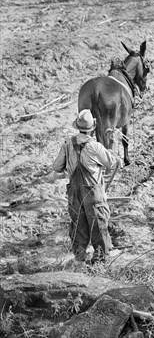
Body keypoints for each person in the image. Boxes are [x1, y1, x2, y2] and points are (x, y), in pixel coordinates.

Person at [53, 109, 120, 265]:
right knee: (99, 224)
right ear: (93, 127)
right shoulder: (95, 146)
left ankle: (80, 259)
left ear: (77, 127)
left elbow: (57, 167)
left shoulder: (67, 144)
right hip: (92, 192)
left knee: (78, 225)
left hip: (74, 192)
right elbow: (110, 163)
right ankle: (100, 260)